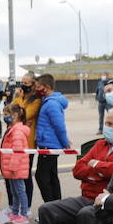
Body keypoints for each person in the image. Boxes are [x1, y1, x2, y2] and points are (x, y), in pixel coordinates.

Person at [33, 74, 70, 205]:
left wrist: (66, 143)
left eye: (38, 87)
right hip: (48, 143)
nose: (36, 90)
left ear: (47, 87)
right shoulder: (49, 101)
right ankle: (57, 206)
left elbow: (59, 126)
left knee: (41, 177)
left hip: (49, 145)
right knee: (52, 176)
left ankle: (51, 206)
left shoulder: (52, 104)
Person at [0, 103, 32, 224]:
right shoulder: (11, 129)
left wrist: (12, 166)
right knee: (14, 192)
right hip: (11, 168)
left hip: (16, 168)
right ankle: (15, 212)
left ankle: (23, 214)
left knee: (20, 191)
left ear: (15, 115)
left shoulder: (17, 132)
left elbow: (17, 152)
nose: (4, 117)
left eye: (7, 114)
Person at [11, 73, 43, 208]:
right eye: (22, 81)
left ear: (33, 84)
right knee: (12, 176)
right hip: (14, 140)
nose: (23, 84)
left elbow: (25, 115)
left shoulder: (36, 100)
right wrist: (17, 99)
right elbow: (11, 111)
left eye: (26, 82)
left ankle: (27, 205)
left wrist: (18, 100)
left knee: (25, 176)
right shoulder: (20, 97)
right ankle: (14, 205)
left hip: (27, 143)